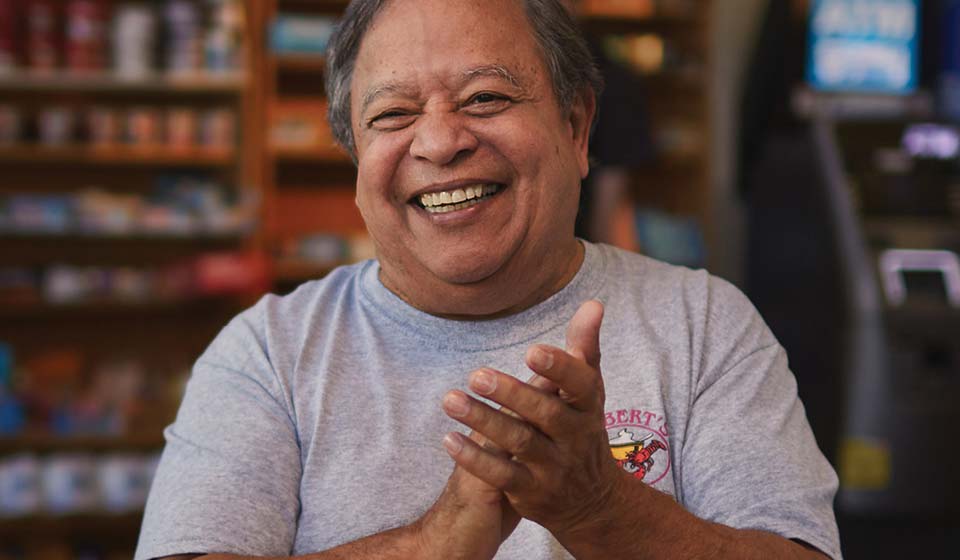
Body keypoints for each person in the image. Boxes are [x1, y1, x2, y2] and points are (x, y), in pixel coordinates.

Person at [135, 1, 841, 559]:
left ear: (576, 127)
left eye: (484, 99)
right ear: (356, 159)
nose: (440, 142)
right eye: (392, 115)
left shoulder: (704, 326)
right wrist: (437, 544)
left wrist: (603, 511)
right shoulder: (268, 353)